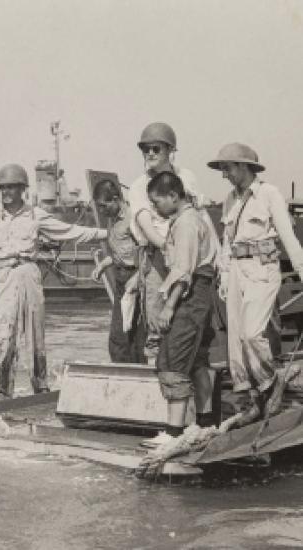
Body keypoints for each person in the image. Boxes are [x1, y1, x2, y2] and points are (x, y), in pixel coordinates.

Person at [0, 163, 107, 400]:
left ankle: (40, 389)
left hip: (29, 273)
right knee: (3, 334)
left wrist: (106, 233)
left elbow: (70, 231)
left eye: (12, 187)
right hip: (3, 275)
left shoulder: (35, 215)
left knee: (35, 334)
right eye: (3, 187)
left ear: (23, 189)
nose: (6, 192)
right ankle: (1, 393)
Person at [129, 122, 218, 427]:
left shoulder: (187, 192)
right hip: (161, 260)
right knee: (160, 340)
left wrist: (197, 255)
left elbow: (200, 221)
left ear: (170, 151)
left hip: (185, 267)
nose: (150, 154)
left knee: (186, 348)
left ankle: (185, 423)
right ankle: (173, 417)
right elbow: (145, 223)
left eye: (156, 148)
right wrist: (170, 247)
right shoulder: (140, 185)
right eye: (146, 149)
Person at [208, 143, 303, 423]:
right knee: (237, 342)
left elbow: (289, 238)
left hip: (262, 268)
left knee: (252, 334)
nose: (224, 173)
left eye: (227, 168)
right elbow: (227, 242)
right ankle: (254, 401)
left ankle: (271, 386)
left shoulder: (269, 194)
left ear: (244, 167)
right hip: (236, 271)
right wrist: (225, 276)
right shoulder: (229, 200)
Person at [146, 171, 217, 436]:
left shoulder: (186, 223)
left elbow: (183, 272)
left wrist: (168, 307)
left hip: (189, 297)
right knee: (197, 360)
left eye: (158, 201)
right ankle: (206, 423)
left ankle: (173, 434)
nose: (155, 207)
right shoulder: (193, 219)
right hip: (201, 297)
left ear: (174, 196)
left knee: (172, 360)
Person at [91, 179, 146, 363]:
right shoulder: (111, 219)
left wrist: (137, 279)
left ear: (116, 199)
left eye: (103, 206)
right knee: (119, 336)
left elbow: (148, 253)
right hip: (121, 280)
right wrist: (102, 265)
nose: (101, 211)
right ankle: (123, 373)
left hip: (136, 280)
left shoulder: (133, 218)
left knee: (135, 336)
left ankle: (136, 375)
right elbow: (119, 252)